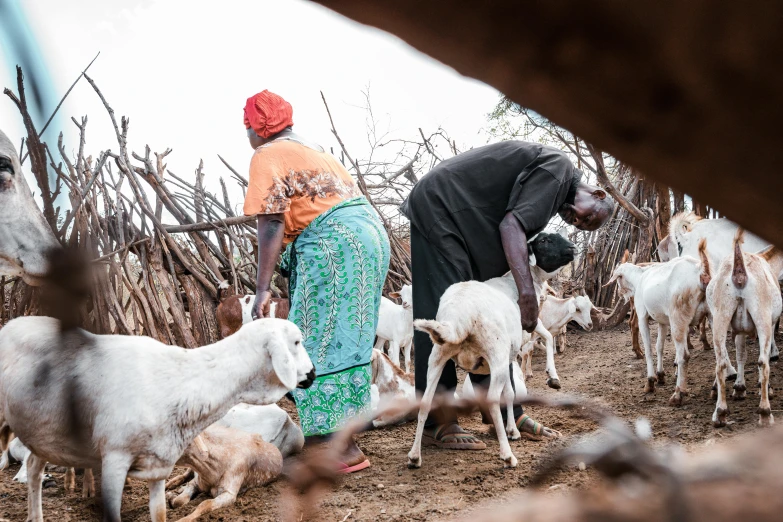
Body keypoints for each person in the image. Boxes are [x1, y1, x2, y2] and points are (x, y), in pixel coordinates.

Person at [400, 140, 614, 449]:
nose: (577, 221)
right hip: (441, 207)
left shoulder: (556, 184)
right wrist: (527, 295)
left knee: (486, 321)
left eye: (583, 225)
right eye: (587, 216)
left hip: (467, 224)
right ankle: (439, 420)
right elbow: (512, 225)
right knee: (442, 315)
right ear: (597, 194)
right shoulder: (559, 169)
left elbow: (510, 221)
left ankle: (505, 412)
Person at [242, 90, 390, 473]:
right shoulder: (317, 151)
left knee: (315, 337)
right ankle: (346, 433)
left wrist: (261, 289)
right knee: (349, 335)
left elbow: (272, 220)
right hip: (368, 237)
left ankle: (335, 447)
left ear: (254, 128)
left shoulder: (267, 154)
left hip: (333, 245)